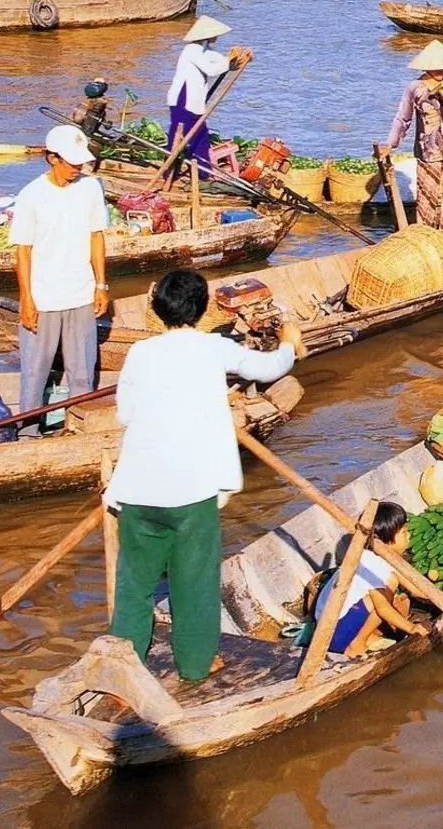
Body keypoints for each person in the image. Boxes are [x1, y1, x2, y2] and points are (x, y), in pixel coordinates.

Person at [105, 269, 307, 682]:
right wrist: (288, 341)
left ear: (159, 310)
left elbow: (125, 413)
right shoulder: (213, 349)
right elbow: (270, 368)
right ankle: (195, 667)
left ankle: (121, 669)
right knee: (193, 583)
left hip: (136, 488)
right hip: (190, 491)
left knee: (134, 585)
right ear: (200, 309)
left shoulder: (140, 353)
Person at [11, 125, 108, 438]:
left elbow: (96, 237)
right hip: (44, 298)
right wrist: (26, 299)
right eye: (71, 162)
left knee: (82, 373)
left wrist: (100, 285)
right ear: (52, 158)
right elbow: (23, 251)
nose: (77, 168)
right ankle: (28, 433)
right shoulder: (31, 197)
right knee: (35, 374)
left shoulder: (91, 188)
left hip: (80, 296)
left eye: (80, 162)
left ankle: (79, 432)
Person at [303, 502, 431, 657]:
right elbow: (383, 609)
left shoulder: (382, 557)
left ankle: (366, 636)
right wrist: (411, 628)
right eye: (404, 532)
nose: (408, 536)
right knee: (383, 593)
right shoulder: (370, 564)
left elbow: (415, 587)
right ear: (387, 539)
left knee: (389, 585)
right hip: (331, 636)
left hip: (334, 627)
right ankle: (356, 645)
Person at [384, 40, 443, 234]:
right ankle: (427, 235)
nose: (441, 71)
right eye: (436, 68)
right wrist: (390, 145)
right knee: (428, 195)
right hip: (428, 151)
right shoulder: (414, 88)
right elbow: (403, 118)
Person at [166, 16, 251, 180]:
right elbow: (212, 69)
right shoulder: (191, 50)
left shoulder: (204, 51)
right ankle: (172, 173)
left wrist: (240, 59)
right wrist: (228, 59)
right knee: (183, 136)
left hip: (193, 101)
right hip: (183, 100)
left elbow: (219, 62)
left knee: (199, 136)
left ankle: (201, 173)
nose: (217, 37)